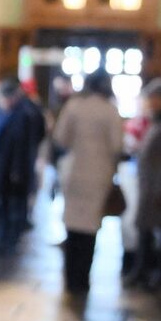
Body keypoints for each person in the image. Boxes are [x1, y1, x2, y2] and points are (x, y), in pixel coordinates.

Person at [53, 70, 125, 296]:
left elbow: (61, 138)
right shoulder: (110, 111)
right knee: (90, 229)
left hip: (75, 171)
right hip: (99, 174)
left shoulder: (74, 106)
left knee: (73, 227)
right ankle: (82, 280)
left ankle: (70, 278)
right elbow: (117, 145)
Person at [0, 80, 46, 255]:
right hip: (7, 166)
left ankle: (9, 240)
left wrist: (16, 170)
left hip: (16, 168)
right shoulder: (11, 112)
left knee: (14, 205)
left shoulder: (24, 114)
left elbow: (24, 145)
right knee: (7, 203)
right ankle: (5, 238)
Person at [129, 80, 161, 289]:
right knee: (144, 231)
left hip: (155, 190)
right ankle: (142, 272)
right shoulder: (154, 123)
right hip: (148, 187)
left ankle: (150, 274)